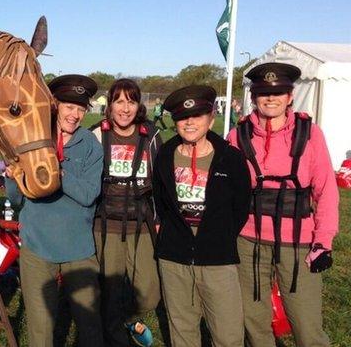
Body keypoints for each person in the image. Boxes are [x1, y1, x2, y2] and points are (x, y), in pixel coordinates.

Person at [227, 62, 339, 346]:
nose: (271, 98)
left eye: (279, 92)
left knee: (306, 324)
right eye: (264, 92)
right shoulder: (237, 136)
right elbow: (226, 191)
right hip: (248, 240)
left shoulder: (310, 134)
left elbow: (326, 189)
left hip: (298, 242)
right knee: (253, 320)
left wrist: (323, 241)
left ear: (290, 96)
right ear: (253, 97)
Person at [5, 74, 104, 347]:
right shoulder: (35, 140)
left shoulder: (90, 145)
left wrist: (57, 173)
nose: (74, 115)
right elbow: (16, 200)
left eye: (81, 108)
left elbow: (88, 195)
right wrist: (12, 178)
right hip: (37, 246)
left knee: (90, 324)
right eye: (69, 106)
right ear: (55, 105)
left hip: (79, 248)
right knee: (41, 328)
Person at [153, 85, 251, 346]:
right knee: (182, 330)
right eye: (183, 117)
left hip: (217, 258)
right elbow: (161, 201)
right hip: (175, 258)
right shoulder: (165, 155)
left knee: (227, 334)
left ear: (211, 118)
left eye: (197, 115)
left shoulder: (230, 158)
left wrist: (217, 235)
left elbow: (241, 206)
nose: (189, 122)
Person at [90, 78, 162, 347]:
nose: (124, 108)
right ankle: (116, 337)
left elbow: (163, 182)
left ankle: (129, 317)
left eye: (131, 101)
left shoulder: (152, 135)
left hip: (141, 223)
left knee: (149, 293)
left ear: (139, 105)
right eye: (119, 101)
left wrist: (159, 219)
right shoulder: (97, 134)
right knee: (110, 290)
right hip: (105, 223)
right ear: (109, 105)